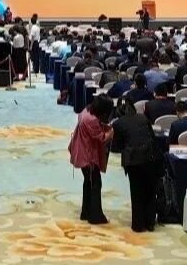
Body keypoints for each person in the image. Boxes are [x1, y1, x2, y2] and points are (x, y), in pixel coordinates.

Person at [112, 99, 159, 232]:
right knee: (150, 190)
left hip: (133, 160)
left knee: (136, 191)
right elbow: (152, 137)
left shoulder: (118, 124)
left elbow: (115, 147)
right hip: (151, 157)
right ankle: (150, 223)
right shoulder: (143, 118)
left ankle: (138, 225)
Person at [68, 95, 114, 224]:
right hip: (88, 156)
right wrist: (111, 132)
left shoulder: (86, 111)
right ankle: (95, 216)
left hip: (81, 150)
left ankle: (86, 212)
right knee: (95, 183)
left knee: (88, 182)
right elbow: (102, 138)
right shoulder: (92, 120)